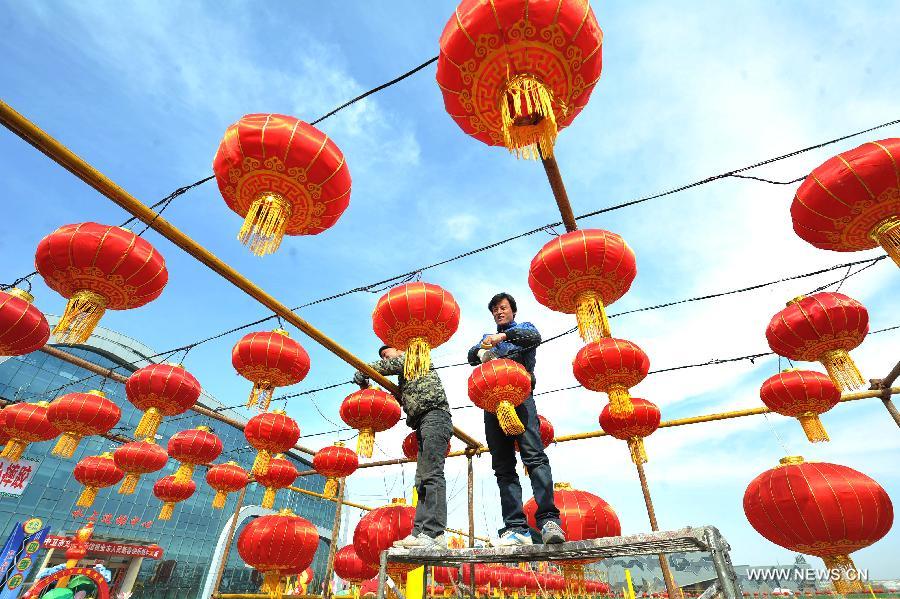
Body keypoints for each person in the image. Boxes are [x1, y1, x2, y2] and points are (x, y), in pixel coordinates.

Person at [467, 292, 565, 547]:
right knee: (503, 466)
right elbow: (471, 355)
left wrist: (503, 337)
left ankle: (548, 521)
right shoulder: (486, 340)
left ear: (512, 310)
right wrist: (481, 352)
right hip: (492, 404)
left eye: (502, 308)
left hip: (521, 399)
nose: (499, 312)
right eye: (495, 310)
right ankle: (515, 527)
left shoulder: (523, 330)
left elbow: (534, 337)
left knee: (534, 457)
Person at [353, 345, 453, 549]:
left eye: (386, 353)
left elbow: (387, 366)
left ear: (399, 349)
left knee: (432, 475)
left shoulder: (414, 358)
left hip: (434, 416)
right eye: (381, 355)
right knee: (422, 479)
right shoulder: (406, 378)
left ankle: (434, 533)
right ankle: (421, 532)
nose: (384, 356)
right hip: (423, 421)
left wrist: (363, 369)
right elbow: (396, 396)